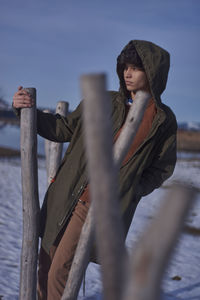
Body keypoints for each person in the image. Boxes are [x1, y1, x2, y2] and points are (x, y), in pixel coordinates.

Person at [13, 39, 177, 300]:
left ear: (153, 72)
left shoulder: (162, 120)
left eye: (137, 67)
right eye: (126, 66)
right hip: (65, 195)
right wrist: (27, 110)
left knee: (60, 273)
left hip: (97, 207)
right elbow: (63, 128)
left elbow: (163, 166)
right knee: (45, 265)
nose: (128, 73)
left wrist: (133, 188)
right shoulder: (103, 100)